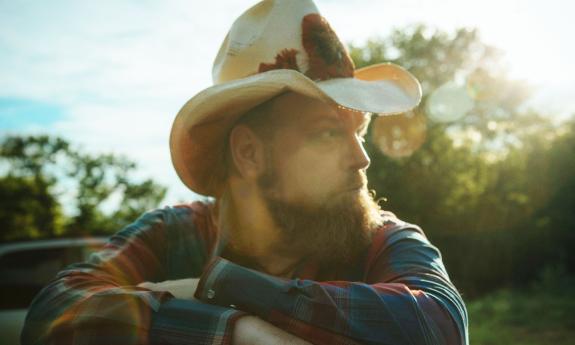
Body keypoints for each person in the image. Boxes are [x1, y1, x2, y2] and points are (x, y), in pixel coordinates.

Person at [22, 0, 468, 344]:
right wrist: (235, 331)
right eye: (329, 135)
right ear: (250, 154)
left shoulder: (383, 237)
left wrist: (214, 288)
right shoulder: (175, 232)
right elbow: (52, 314)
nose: (361, 158)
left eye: (361, 133)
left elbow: (438, 325)